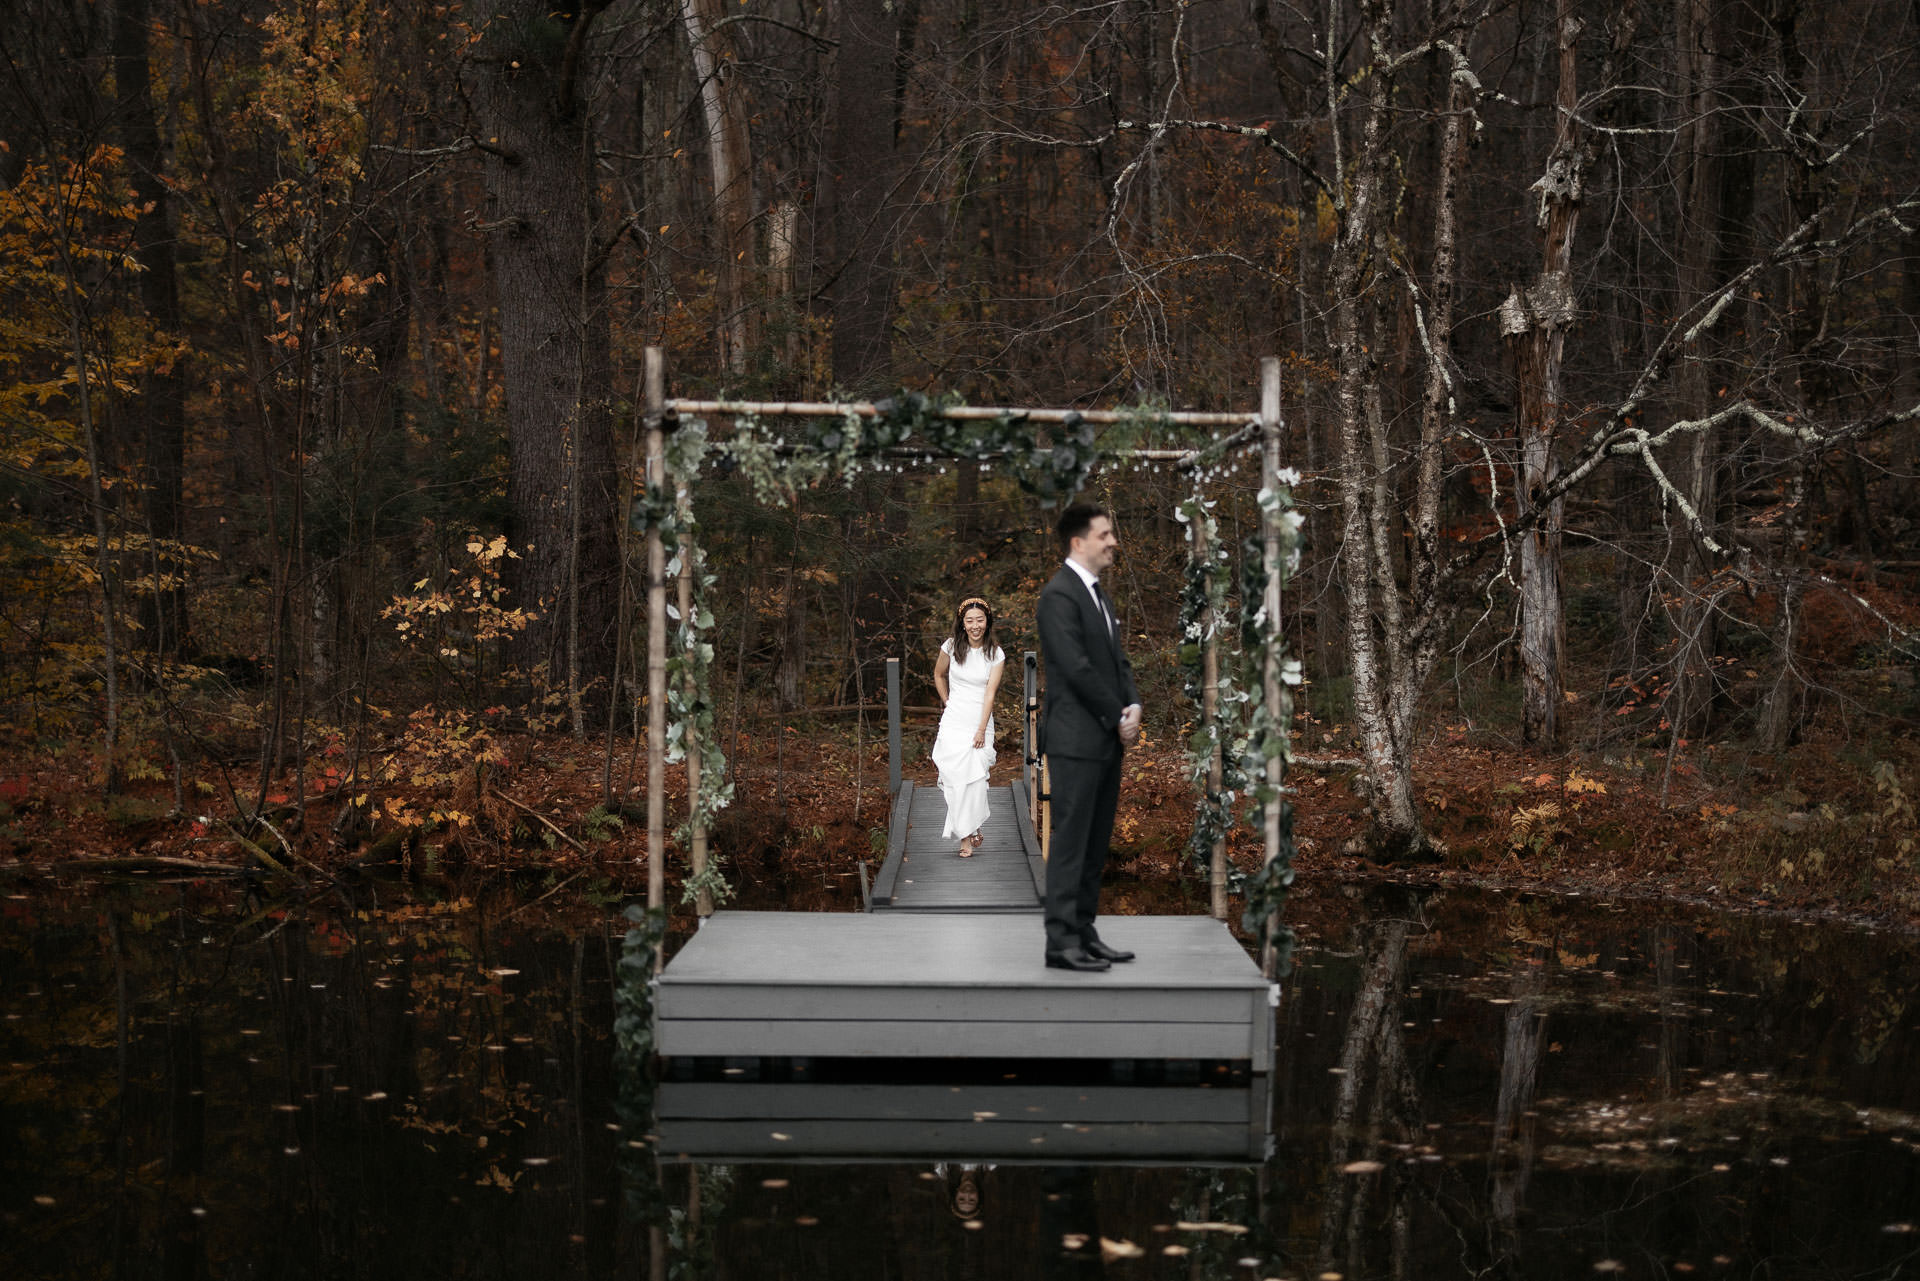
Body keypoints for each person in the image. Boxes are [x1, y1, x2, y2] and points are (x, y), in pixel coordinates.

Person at [1036, 503, 1141, 972]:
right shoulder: (1058, 596)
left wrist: (1133, 703)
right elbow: (1075, 669)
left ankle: (1084, 929)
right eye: (1104, 534)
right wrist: (1117, 713)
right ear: (1078, 542)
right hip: (1075, 738)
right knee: (1071, 840)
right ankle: (1060, 943)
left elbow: (1117, 661)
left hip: (1106, 737)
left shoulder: (1099, 595)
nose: (1112, 541)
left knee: (1096, 842)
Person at [932, 597, 1006, 856]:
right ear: (962, 624)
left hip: (979, 718)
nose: (975, 626)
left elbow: (990, 694)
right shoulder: (951, 646)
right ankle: (965, 833)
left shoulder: (995, 653)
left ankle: (971, 828)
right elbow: (938, 674)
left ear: (987, 622)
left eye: (980, 620)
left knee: (974, 779)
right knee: (953, 777)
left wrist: (980, 728)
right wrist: (947, 700)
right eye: (970, 621)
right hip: (954, 718)